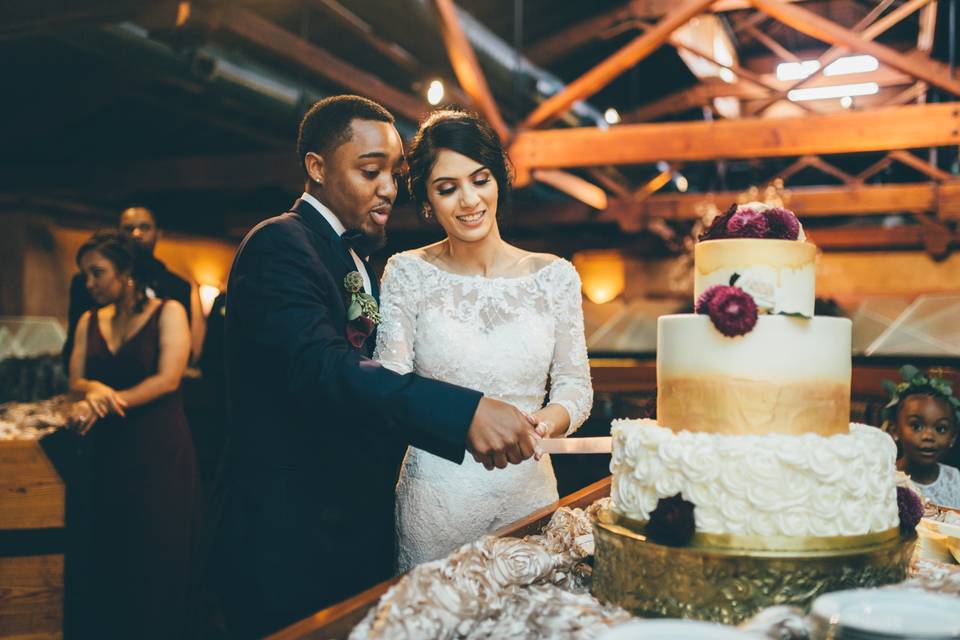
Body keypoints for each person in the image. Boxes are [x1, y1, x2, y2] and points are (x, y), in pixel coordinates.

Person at [216, 95, 543, 638]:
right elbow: (324, 368)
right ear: (317, 168)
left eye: (394, 173)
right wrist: (462, 412)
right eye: (371, 171)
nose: (389, 188)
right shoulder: (278, 243)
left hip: (353, 527)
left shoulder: (358, 258)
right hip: (289, 537)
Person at [375, 109, 593, 571]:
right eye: (447, 188)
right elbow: (390, 387)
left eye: (480, 179)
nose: (469, 200)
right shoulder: (406, 273)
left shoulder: (554, 276)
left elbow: (576, 386)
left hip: (528, 492)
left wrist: (543, 425)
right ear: (428, 202)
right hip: (437, 499)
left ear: (499, 181)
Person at [66, 230, 200, 639]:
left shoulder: (169, 311)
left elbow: (167, 379)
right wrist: (93, 390)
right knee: (110, 543)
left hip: (158, 446)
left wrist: (108, 399)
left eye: (97, 273)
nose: (89, 283)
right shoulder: (90, 319)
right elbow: (75, 378)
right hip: (107, 450)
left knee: (157, 544)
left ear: (125, 274)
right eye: (85, 274)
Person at [62, 206, 202, 368]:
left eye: (144, 227)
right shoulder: (85, 284)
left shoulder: (178, 286)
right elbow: (75, 340)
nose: (136, 234)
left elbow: (182, 353)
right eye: (129, 229)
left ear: (158, 233)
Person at [884, 365, 960, 508]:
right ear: (895, 430)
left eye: (940, 428)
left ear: (953, 437)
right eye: (916, 426)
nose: (928, 436)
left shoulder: (954, 479)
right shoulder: (885, 477)